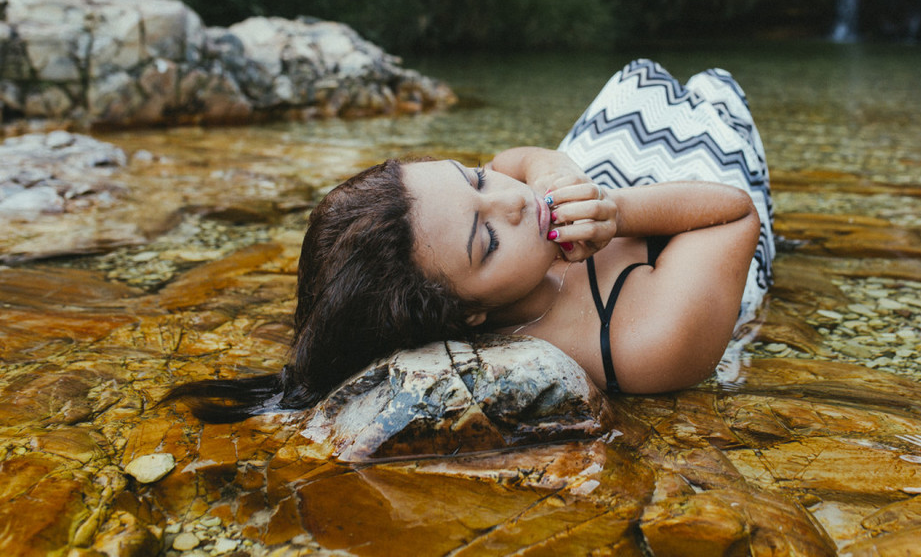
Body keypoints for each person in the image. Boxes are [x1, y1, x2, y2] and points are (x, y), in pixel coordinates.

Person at [166, 59, 773, 422]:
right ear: (470, 313)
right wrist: (614, 209)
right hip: (696, 210)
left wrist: (559, 177)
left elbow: (512, 160)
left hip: (606, 181)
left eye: (473, 178)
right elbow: (732, 215)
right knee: (716, 85)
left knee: (639, 77)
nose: (511, 200)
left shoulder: (501, 220)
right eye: (486, 238)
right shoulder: (645, 342)